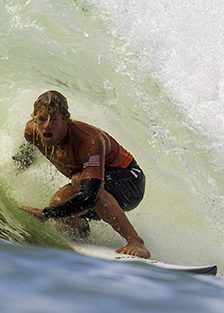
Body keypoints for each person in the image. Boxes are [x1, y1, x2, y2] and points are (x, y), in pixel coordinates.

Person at [15, 90, 151, 259]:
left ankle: (135, 241)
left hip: (129, 182)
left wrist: (46, 214)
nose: (46, 126)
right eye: (41, 120)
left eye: (53, 120)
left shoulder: (88, 141)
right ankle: (82, 232)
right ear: (35, 118)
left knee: (79, 181)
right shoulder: (32, 132)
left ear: (66, 120)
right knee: (59, 202)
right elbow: (24, 158)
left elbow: (89, 196)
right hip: (97, 187)